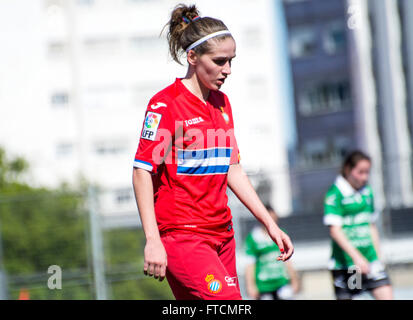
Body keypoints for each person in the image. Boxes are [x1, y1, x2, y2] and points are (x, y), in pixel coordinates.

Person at [132, 4, 293, 300]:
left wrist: (269, 224)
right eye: (219, 61)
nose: (228, 70)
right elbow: (142, 170)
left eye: (231, 60)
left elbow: (232, 168)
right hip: (184, 237)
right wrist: (152, 239)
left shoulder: (222, 104)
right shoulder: (164, 105)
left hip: (223, 235)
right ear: (192, 57)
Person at [323, 150, 393, 300]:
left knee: (386, 294)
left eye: (367, 172)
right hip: (349, 265)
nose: (364, 177)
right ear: (348, 169)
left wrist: (378, 256)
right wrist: (357, 258)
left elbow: (371, 226)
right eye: (360, 172)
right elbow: (335, 231)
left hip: (371, 261)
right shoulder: (335, 194)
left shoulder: (367, 192)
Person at [244, 204, 300, 300]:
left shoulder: (281, 234)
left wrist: (294, 280)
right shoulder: (253, 238)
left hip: (282, 282)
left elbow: (288, 260)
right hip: (263, 286)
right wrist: (250, 285)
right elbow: (250, 264)